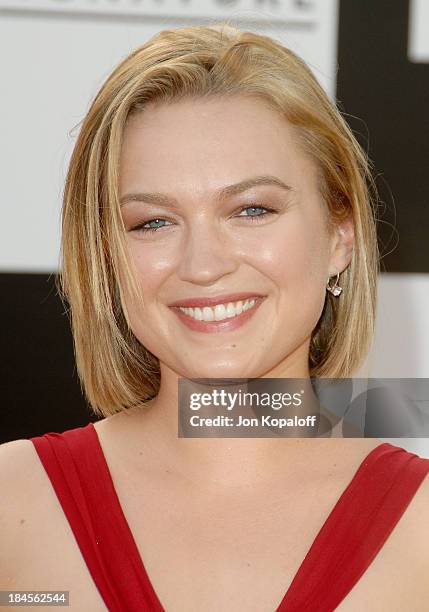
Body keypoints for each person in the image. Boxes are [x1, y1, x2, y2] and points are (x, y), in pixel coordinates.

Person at [1, 24, 428, 612]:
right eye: (152, 221)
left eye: (252, 210)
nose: (203, 266)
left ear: (340, 236)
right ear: (104, 256)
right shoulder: (11, 504)